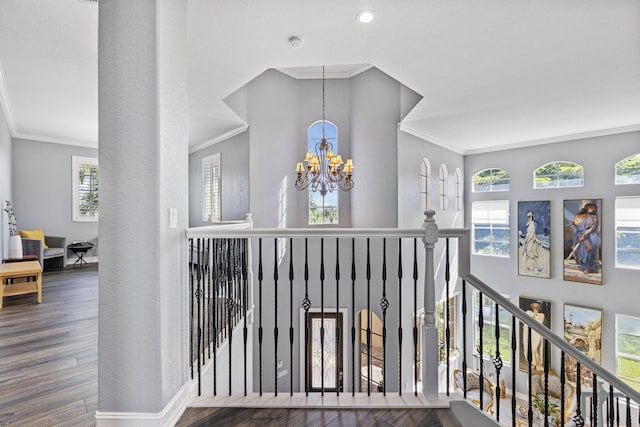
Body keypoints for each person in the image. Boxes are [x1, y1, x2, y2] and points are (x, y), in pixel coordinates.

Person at [570, 203, 601, 274]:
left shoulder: (594, 217)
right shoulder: (578, 216)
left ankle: (587, 267)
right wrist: (578, 232)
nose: (593, 209)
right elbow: (574, 224)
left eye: (594, 208)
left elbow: (593, 228)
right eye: (592, 208)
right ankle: (582, 266)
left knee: (588, 249)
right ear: (587, 208)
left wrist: (584, 234)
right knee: (578, 250)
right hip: (578, 234)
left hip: (587, 234)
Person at [525, 302, 545, 372]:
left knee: (534, 349)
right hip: (532, 333)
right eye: (534, 303)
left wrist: (535, 317)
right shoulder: (529, 313)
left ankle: (539, 365)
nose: (535, 305)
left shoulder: (541, 315)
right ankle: (534, 364)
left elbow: (540, 323)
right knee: (531, 349)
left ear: (539, 306)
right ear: (531, 305)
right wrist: (532, 315)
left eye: (537, 304)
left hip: (538, 333)